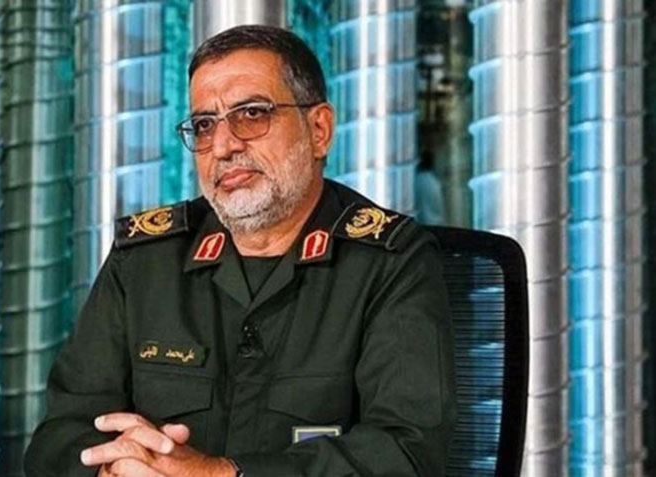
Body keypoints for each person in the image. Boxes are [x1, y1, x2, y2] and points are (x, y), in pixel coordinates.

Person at [24, 25, 456, 477]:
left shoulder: (391, 260)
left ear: (319, 130)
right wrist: (113, 469)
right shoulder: (144, 262)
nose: (223, 146)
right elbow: (59, 436)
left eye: (251, 114)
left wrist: (218, 474)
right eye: (204, 125)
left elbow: (407, 452)